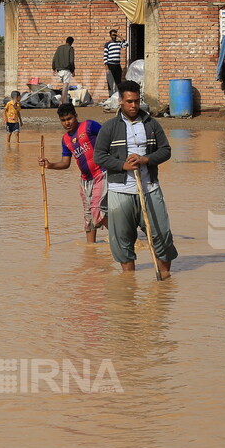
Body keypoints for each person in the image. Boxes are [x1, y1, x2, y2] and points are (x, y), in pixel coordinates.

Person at [93, 81, 178, 279]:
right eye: (129, 101)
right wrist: (123, 165)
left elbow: (165, 150)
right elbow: (99, 156)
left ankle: (164, 279)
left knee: (161, 235)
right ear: (120, 102)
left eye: (137, 101)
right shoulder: (109, 128)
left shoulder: (151, 124)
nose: (134, 105)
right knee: (122, 240)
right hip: (120, 191)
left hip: (149, 189)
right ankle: (128, 283)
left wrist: (145, 159)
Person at [39, 103, 106, 244]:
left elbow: (108, 137)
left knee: (96, 209)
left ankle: (121, 238)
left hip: (101, 173)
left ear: (76, 116)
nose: (67, 123)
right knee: (88, 216)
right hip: (85, 180)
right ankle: (91, 250)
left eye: (69, 118)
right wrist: (49, 165)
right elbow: (65, 163)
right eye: (63, 120)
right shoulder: (65, 140)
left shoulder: (89, 126)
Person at [52, 36, 76, 104]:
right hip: (66, 69)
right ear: (72, 42)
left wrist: (54, 68)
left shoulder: (59, 48)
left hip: (59, 70)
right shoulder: (70, 49)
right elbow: (71, 61)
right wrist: (73, 70)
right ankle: (62, 101)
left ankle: (63, 100)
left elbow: (54, 59)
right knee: (65, 85)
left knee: (63, 85)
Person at [103, 29, 125, 95]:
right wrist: (107, 68)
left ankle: (117, 97)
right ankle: (111, 97)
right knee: (110, 82)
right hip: (110, 65)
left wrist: (119, 36)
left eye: (115, 35)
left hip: (117, 66)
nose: (114, 36)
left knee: (118, 83)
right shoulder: (107, 44)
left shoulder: (118, 43)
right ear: (110, 35)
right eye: (113, 35)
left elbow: (126, 44)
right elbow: (105, 57)